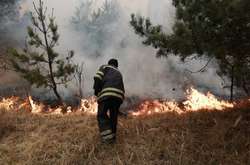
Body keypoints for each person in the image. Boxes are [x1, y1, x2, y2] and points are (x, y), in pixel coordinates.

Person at [93, 59, 125, 143]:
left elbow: (97, 77)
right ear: (116, 65)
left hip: (107, 94)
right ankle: (113, 136)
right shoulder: (119, 72)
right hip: (119, 97)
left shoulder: (105, 67)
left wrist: (96, 91)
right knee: (113, 117)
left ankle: (108, 139)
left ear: (109, 63)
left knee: (101, 115)